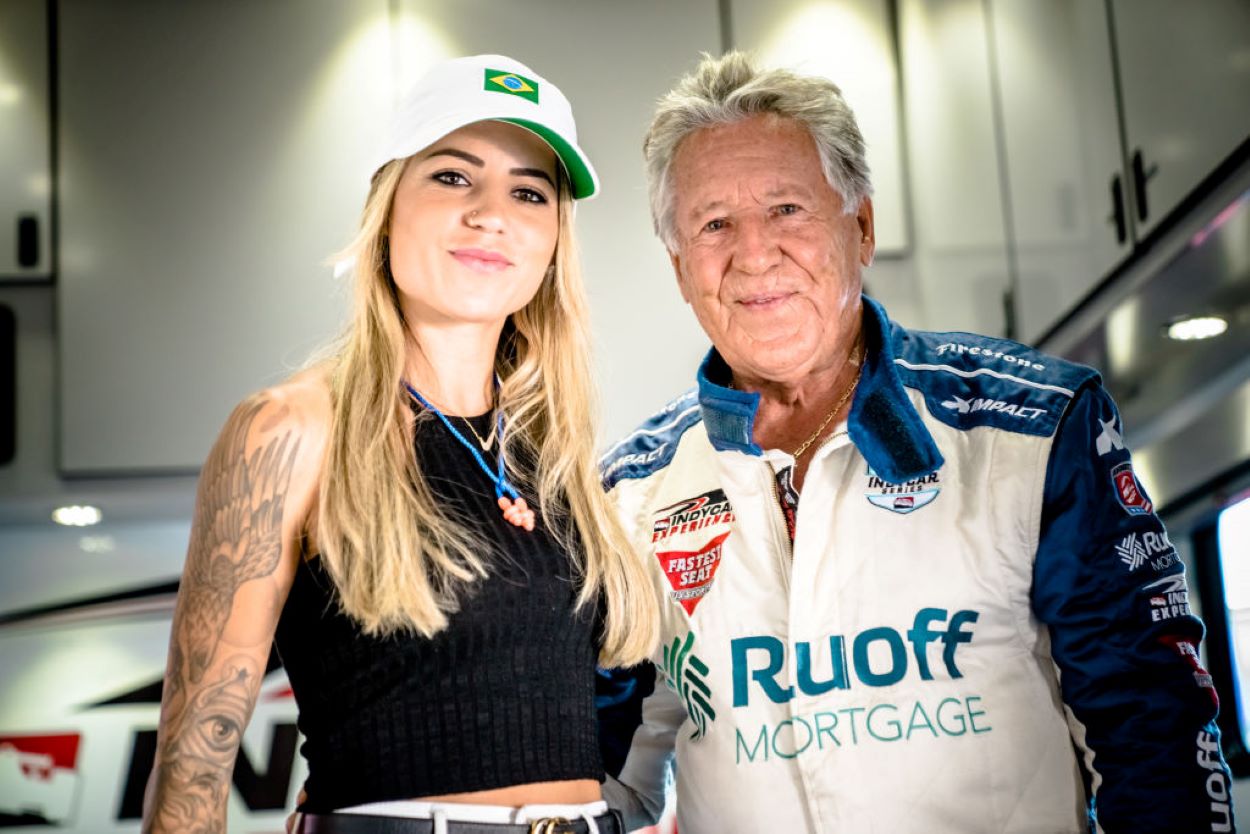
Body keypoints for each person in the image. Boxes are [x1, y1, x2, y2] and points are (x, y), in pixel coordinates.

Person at [597, 51, 1237, 833]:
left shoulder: (1033, 429)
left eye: (788, 209)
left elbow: (1153, 736)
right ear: (679, 266)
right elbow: (594, 774)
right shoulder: (626, 493)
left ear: (860, 226)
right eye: (714, 224)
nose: (754, 254)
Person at [141, 54, 656, 834]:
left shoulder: (557, 460)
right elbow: (192, 769)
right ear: (386, 207)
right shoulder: (291, 431)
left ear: (553, 241)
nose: (492, 214)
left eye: (529, 192)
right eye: (453, 176)